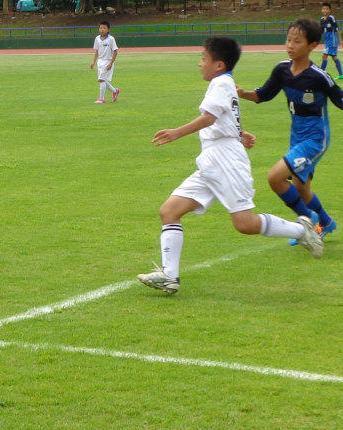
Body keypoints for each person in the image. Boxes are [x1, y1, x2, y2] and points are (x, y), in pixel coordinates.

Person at [136, 37, 324, 295]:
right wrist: (240, 134)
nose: (200, 63)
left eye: (204, 58)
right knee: (169, 211)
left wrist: (177, 132)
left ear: (219, 64)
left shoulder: (221, 83)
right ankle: (169, 276)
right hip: (212, 160)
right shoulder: (223, 84)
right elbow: (224, 118)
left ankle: (302, 230)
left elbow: (209, 117)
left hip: (225, 161)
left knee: (245, 224)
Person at [237, 18, 343, 242]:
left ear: (312, 45)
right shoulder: (282, 70)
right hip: (296, 136)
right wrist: (243, 94)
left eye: (297, 41)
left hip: (315, 139)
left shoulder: (319, 77)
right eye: (288, 40)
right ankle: (326, 223)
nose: (290, 45)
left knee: (275, 178)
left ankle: (308, 220)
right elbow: (263, 95)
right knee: (301, 188)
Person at [90, 21, 120, 103]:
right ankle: (115, 91)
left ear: (108, 29)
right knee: (103, 80)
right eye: (101, 28)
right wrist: (93, 62)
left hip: (107, 61)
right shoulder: (97, 39)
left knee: (101, 80)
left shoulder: (111, 39)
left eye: (104, 28)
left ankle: (102, 98)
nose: (102, 29)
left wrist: (110, 63)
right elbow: (97, 51)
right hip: (100, 62)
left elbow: (115, 51)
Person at [318, 3, 343, 79]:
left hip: (332, 40)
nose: (325, 10)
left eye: (326, 9)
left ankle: (321, 74)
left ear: (329, 10)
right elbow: (321, 31)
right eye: (323, 9)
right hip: (327, 41)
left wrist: (340, 40)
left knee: (324, 55)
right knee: (334, 57)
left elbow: (337, 29)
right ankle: (341, 75)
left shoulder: (331, 18)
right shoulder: (322, 19)